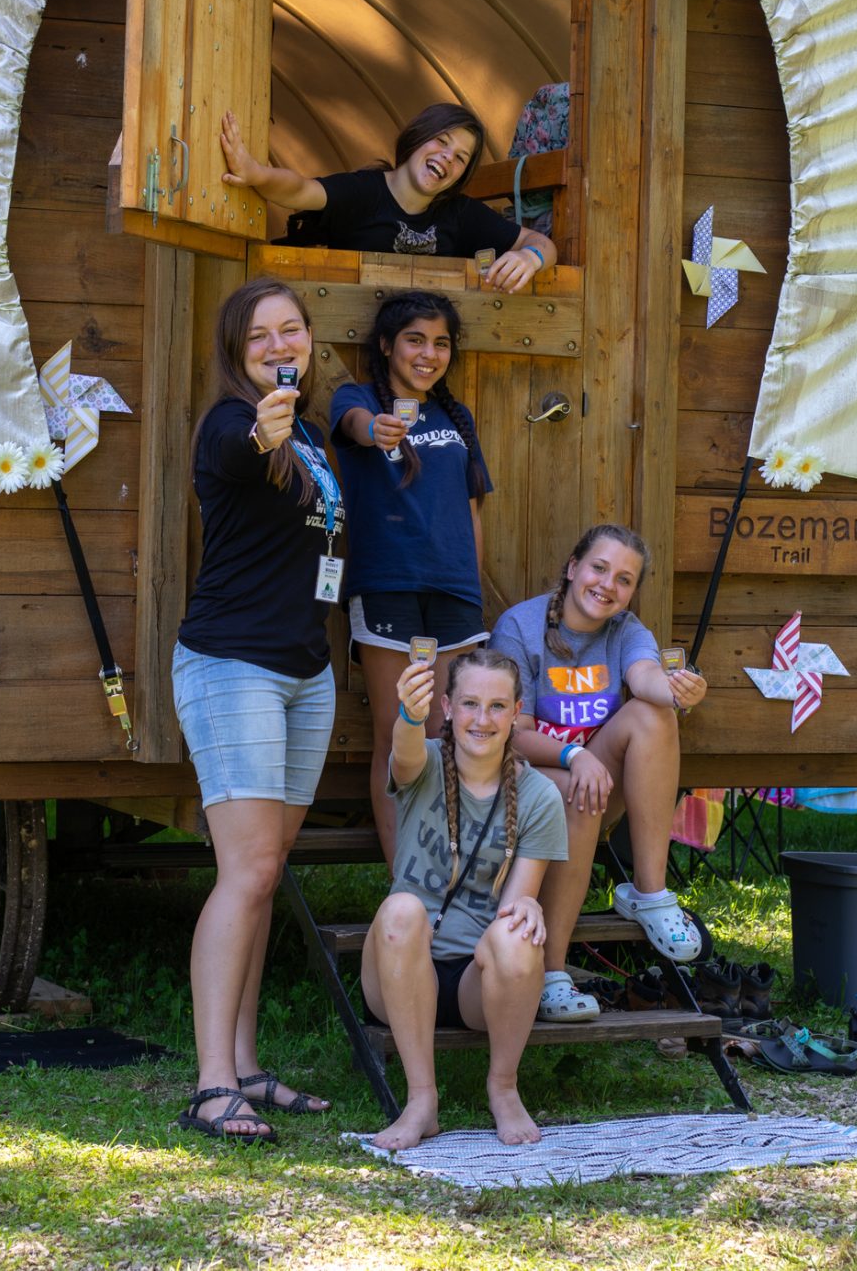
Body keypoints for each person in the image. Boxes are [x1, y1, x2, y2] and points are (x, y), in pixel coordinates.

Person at [172, 276, 345, 1141]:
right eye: (259, 339)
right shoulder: (230, 425)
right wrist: (261, 421)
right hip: (232, 667)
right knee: (245, 872)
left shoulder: (311, 435)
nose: (280, 346)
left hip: (305, 675)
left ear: (309, 339)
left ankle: (244, 1064)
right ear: (240, 356)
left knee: (263, 874)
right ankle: (211, 1086)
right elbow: (244, 448)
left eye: (292, 331)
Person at [489, 524, 708, 1023]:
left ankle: (649, 895)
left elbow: (644, 676)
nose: (609, 585)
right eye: (599, 568)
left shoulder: (627, 631)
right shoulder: (519, 628)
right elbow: (511, 734)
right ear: (572, 568)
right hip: (524, 788)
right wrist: (573, 756)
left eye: (625, 579)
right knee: (575, 792)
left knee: (655, 715)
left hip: (592, 784)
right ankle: (550, 973)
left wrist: (675, 688)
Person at [361, 649, 568, 1150]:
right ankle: (421, 1100)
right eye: (470, 703)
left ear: (516, 712)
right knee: (402, 909)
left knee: (519, 931)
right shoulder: (426, 762)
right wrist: (411, 713)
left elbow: (514, 905)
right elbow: (405, 751)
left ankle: (503, 1087)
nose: (483, 718)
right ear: (448, 708)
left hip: (478, 983)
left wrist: (529, 908)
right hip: (399, 969)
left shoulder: (538, 796)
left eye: (497, 706)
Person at [330, 290, 491, 866]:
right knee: (398, 730)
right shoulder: (357, 399)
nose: (429, 353)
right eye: (415, 340)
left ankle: (450, 869)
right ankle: (407, 879)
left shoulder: (455, 416)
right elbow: (350, 425)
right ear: (386, 345)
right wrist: (374, 428)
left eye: (441, 342)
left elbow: (471, 507)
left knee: (450, 734)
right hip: (388, 585)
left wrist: (473, 586)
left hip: (455, 594)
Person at [220, 102, 556, 293]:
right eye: (441, 141)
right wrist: (255, 173)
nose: (447, 158)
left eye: (461, 157)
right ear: (417, 137)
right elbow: (298, 188)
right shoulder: (365, 191)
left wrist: (531, 258)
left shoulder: (460, 213)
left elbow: (541, 242)